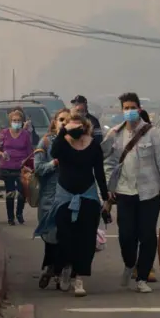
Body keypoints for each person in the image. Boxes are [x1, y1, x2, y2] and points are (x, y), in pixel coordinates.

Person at [101, 92, 160, 293]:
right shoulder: (115, 133)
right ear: (121, 110)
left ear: (139, 109)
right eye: (126, 108)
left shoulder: (152, 133)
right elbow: (106, 159)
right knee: (126, 235)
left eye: (133, 107)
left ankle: (142, 277)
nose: (129, 111)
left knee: (147, 235)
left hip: (149, 192)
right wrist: (108, 188)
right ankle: (129, 264)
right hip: (124, 191)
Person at [46, 111, 108, 297]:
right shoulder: (62, 143)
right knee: (65, 238)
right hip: (65, 197)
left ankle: (80, 278)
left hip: (88, 197)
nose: (74, 129)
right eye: (70, 125)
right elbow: (54, 153)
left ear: (85, 127)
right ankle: (65, 269)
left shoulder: (94, 146)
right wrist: (63, 131)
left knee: (86, 240)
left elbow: (99, 172)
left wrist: (105, 198)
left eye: (77, 126)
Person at [33, 108, 70, 290]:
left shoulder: (76, 142)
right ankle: (50, 268)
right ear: (54, 122)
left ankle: (57, 271)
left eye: (68, 120)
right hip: (49, 196)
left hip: (70, 196)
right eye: (61, 119)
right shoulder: (46, 142)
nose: (64, 122)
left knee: (65, 237)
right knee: (51, 236)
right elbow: (38, 168)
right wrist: (54, 163)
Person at [0, 109, 33, 225]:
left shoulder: (25, 135)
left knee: (22, 192)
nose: (16, 122)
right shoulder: (4, 133)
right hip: (7, 166)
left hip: (20, 168)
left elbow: (29, 152)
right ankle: (10, 218)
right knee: (10, 192)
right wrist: (2, 154)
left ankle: (19, 214)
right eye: (14, 120)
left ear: (22, 122)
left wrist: (27, 163)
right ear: (10, 121)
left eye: (18, 120)